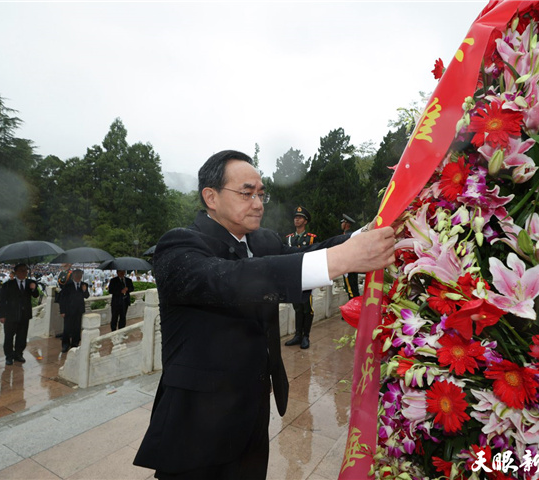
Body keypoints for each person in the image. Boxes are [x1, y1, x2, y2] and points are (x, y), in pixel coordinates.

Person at [133, 150, 395, 479]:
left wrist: (366, 234)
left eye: (261, 194)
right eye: (246, 193)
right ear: (211, 197)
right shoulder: (178, 246)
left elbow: (308, 254)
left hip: (253, 409)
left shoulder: (262, 240)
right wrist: (341, 260)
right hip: (198, 423)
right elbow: (230, 279)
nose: (258, 203)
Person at [284, 206, 317, 349]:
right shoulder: (289, 239)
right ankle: (297, 335)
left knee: (307, 307)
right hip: (293, 276)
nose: (296, 219)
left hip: (307, 276)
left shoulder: (311, 239)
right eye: (295, 217)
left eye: (300, 217)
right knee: (297, 306)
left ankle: (306, 336)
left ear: (305, 221)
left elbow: (316, 257)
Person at [0, 264, 39, 365]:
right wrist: (2, 315)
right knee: (9, 337)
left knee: (22, 336)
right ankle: (9, 356)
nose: (24, 272)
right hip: (11, 315)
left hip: (24, 315)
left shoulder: (30, 283)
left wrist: (34, 289)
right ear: (16, 272)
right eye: (21, 270)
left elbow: (36, 295)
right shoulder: (8, 285)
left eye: (25, 270)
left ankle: (18, 354)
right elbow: (2, 301)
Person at [58, 269, 89, 352]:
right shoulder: (67, 285)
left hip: (79, 310)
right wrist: (62, 311)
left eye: (80, 275)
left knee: (77, 328)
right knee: (67, 328)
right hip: (68, 310)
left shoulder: (84, 285)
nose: (78, 276)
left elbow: (86, 296)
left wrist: (84, 290)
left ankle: (75, 343)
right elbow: (62, 299)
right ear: (73, 276)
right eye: (77, 275)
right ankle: (65, 345)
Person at [340, 214, 361, 299]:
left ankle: (354, 305)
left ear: (346, 224)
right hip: (351, 265)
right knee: (352, 288)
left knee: (351, 290)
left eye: (342, 222)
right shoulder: (348, 234)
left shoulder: (347, 236)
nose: (341, 224)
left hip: (348, 266)